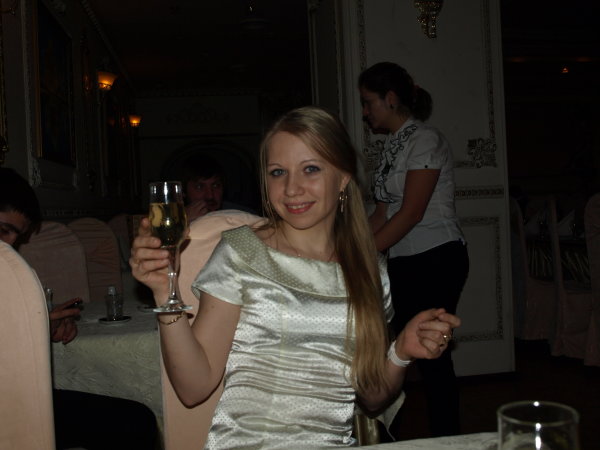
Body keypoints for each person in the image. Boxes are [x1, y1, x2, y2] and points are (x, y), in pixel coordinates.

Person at [130, 106, 461, 448]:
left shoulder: (368, 271)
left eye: (310, 169)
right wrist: (164, 294)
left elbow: (373, 398)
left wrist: (401, 351)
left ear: (343, 177)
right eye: (278, 172)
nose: (291, 188)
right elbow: (193, 388)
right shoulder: (242, 252)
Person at [0, 167, 158, 450]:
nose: (10, 244)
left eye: (17, 237)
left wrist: (45, 325)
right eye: (3, 230)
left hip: (18, 396)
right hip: (9, 410)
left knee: (136, 419)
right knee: (134, 423)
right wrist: (34, 330)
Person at [358, 62, 469, 437]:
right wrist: (351, 249)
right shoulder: (392, 145)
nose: (365, 111)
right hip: (404, 260)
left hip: (437, 256)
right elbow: (382, 214)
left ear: (390, 98)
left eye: (369, 102)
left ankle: (448, 439)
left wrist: (365, 255)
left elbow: (412, 213)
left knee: (433, 357)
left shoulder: (426, 139)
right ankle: (393, 435)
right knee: (399, 352)